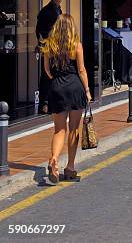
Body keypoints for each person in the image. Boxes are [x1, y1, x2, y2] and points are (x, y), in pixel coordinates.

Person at [41, 14, 91, 184]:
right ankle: (70, 167)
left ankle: (53, 159)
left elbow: (47, 71)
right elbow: (82, 70)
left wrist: (57, 77)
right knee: (74, 129)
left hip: (56, 88)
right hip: (75, 87)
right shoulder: (76, 45)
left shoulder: (49, 46)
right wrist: (87, 90)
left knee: (59, 129)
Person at [36, 0, 64, 113]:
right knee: (46, 75)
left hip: (57, 48)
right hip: (49, 48)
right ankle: (44, 103)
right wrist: (44, 45)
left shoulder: (59, 9)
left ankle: (52, 101)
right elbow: (39, 31)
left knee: (55, 74)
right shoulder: (45, 11)